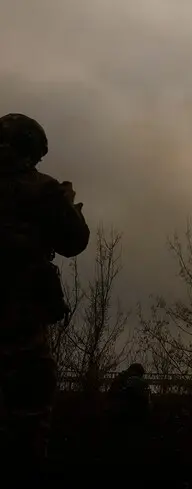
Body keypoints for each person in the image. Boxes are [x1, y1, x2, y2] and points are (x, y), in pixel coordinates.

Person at [0, 113, 90, 470]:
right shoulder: (41, 189)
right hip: (20, 321)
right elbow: (74, 241)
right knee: (28, 418)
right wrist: (69, 207)